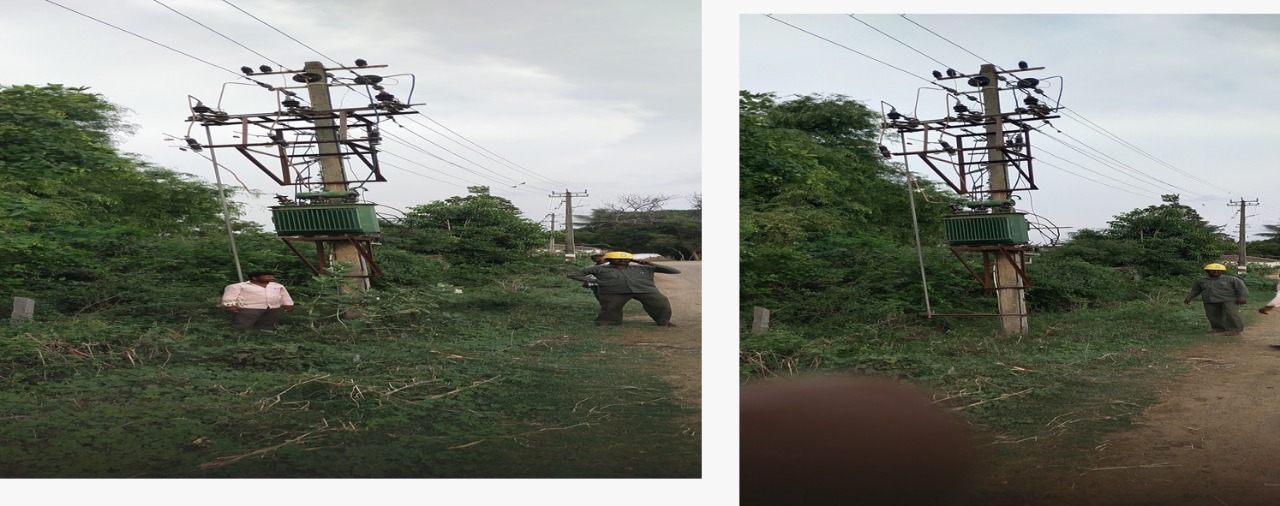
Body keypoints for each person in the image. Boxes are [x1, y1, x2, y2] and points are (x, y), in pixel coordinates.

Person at [567, 251, 680, 326]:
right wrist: (595, 281)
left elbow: (674, 271)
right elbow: (574, 274)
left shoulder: (643, 267)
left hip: (644, 290)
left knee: (660, 303)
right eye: (618, 259)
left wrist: (649, 263)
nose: (622, 261)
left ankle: (663, 320)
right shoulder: (599, 269)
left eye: (626, 259)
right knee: (610, 307)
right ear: (609, 259)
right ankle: (608, 322)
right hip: (614, 291)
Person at [1184, 263, 1247, 336]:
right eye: (1212, 270)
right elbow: (1195, 290)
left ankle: (1234, 330)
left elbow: (1242, 289)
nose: (1216, 272)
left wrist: (1242, 297)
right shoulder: (1201, 281)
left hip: (1228, 300)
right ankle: (1218, 329)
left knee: (1232, 314)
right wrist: (1189, 298)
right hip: (1210, 300)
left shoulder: (1231, 279)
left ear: (1222, 271)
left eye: (1218, 270)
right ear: (1207, 271)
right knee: (1213, 315)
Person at [221, 271, 295, 331]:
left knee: (269, 324)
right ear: (255, 278)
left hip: (272, 308)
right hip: (249, 308)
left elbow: (284, 295)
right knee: (243, 324)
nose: (271, 277)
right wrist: (230, 306)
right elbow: (229, 296)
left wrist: (288, 304)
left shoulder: (277, 286)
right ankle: (239, 337)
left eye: (271, 276)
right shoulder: (238, 286)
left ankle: (263, 337)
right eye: (267, 276)